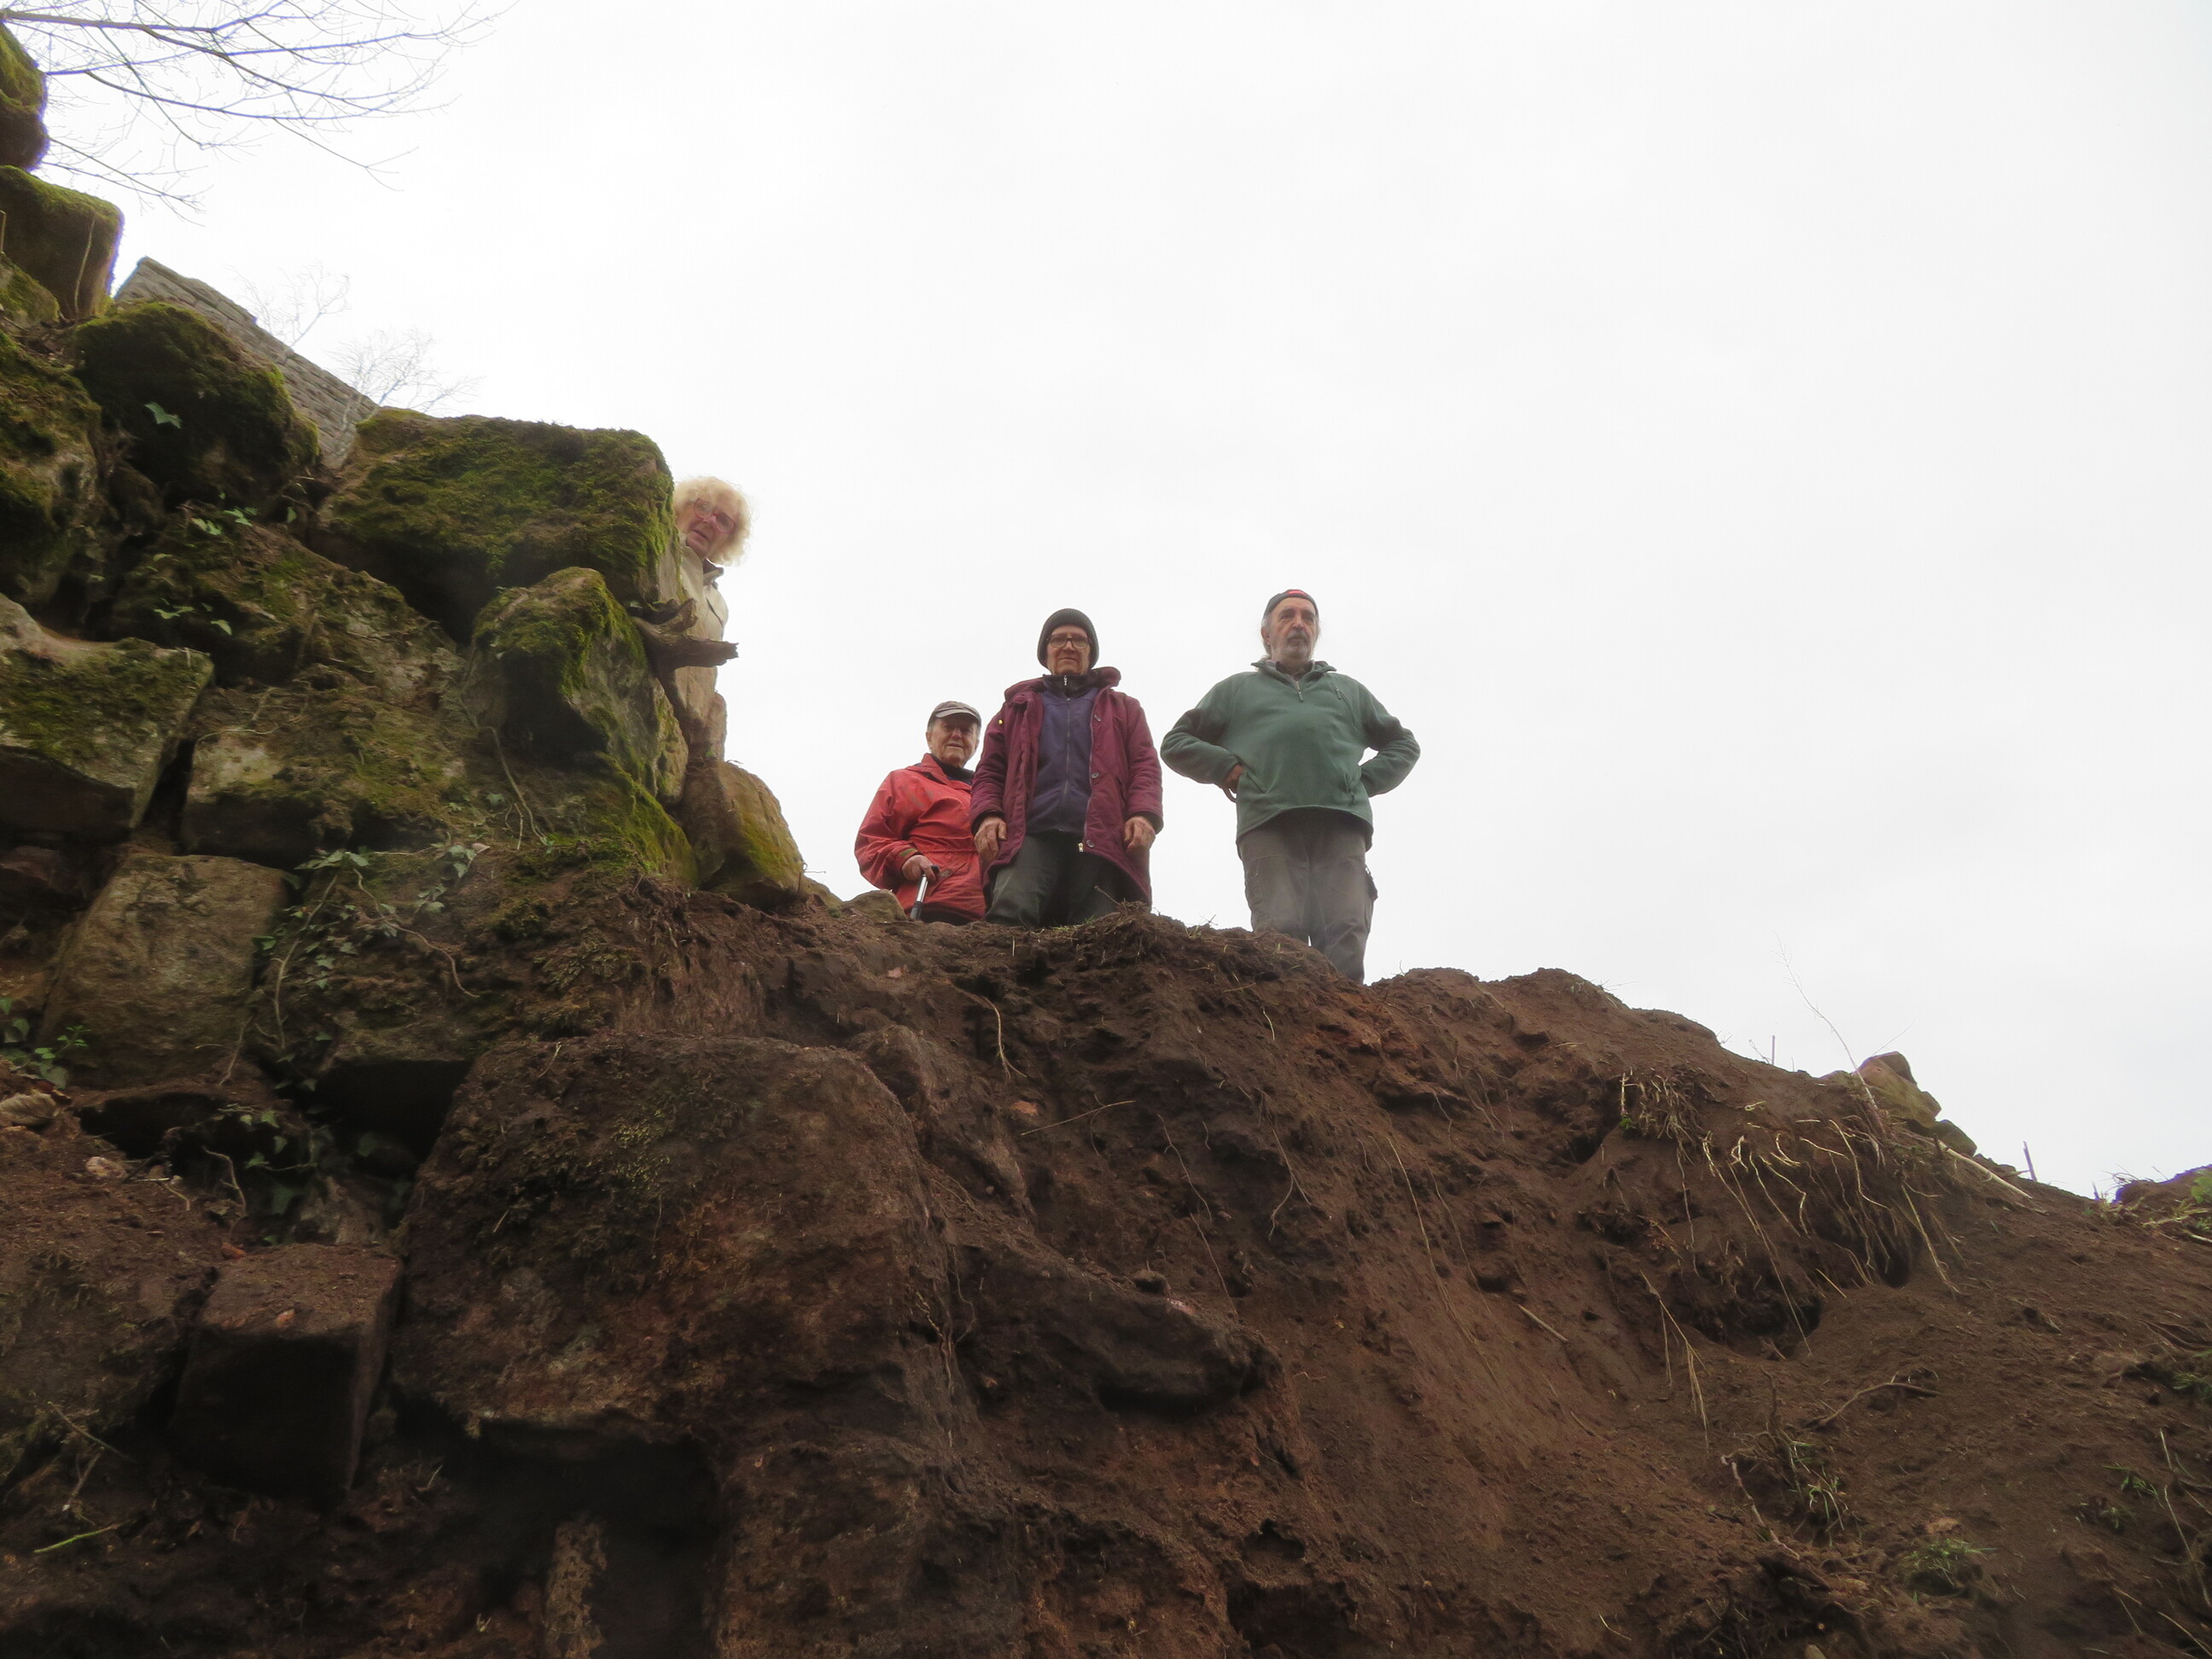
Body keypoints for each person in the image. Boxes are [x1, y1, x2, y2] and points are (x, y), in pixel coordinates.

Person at [1161, 589, 1418, 982]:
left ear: (1316, 632)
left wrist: (1362, 781)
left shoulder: (1348, 691)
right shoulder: (1236, 690)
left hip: (1341, 823)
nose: (1299, 624)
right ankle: (1286, 1019)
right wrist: (1226, 768)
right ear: (1266, 634)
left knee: (1345, 930)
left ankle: (1345, 1018)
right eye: (1287, 616)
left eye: (1308, 617)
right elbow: (1176, 742)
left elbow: (1403, 744)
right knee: (1280, 933)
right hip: (1269, 823)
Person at [970, 608, 1162, 927]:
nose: (1069, 646)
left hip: (1102, 836)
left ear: (1091, 652)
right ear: (1045, 653)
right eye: (1059, 639)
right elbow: (990, 771)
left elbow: (1145, 766)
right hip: (1030, 832)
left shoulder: (1124, 708)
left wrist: (1143, 815)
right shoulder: (1015, 709)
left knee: (1100, 930)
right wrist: (988, 815)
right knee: (1009, 915)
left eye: (1079, 640)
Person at [854, 701, 987, 922]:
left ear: (976, 743)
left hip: (990, 913)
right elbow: (871, 842)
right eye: (948, 727)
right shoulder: (904, 781)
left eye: (965, 731)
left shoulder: (991, 794)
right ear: (929, 737)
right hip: (930, 906)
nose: (957, 735)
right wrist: (906, 858)